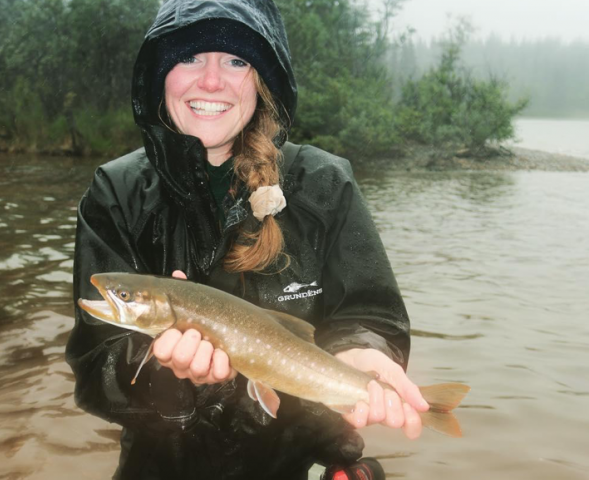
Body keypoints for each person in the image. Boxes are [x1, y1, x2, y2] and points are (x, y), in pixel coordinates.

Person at [65, 1, 429, 479]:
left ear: (264, 79)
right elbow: (96, 371)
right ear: (158, 75)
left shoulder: (325, 183)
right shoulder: (116, 193)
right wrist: (164, 375)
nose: (211, 81)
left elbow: (368, 313)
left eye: (236, 60)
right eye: (189, 57)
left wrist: (364, 349)